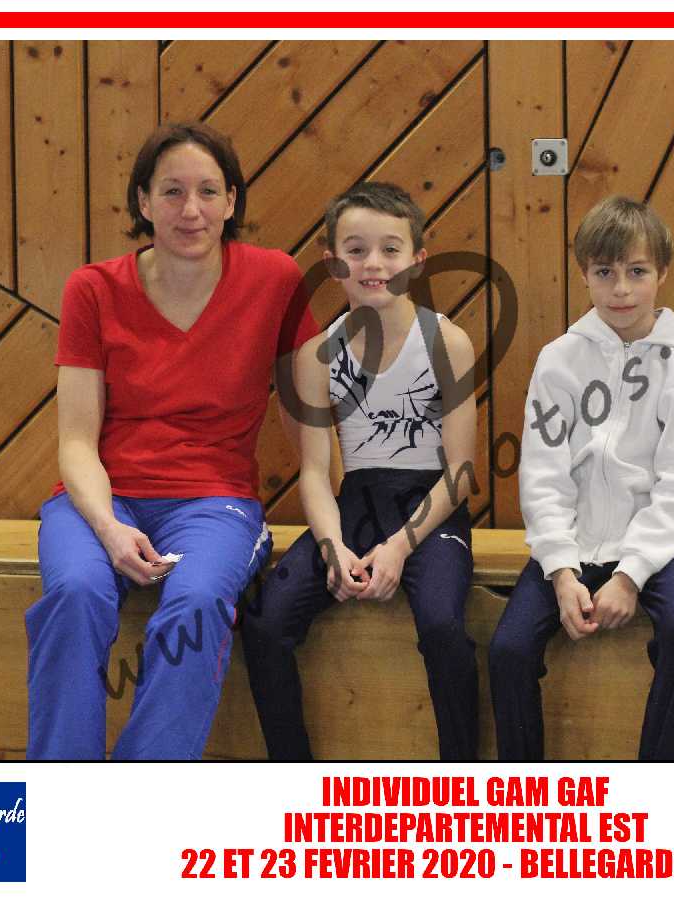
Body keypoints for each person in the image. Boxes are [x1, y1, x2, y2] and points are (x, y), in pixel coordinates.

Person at [24, 122, 319, 760]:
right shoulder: (92, 289)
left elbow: (309, 419)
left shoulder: (275, 279)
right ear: (143, 201)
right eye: (172, 191)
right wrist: (108, 529)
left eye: (209, 191)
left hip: (214, 501)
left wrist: (341, 521)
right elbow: (76, 442)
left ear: (232, 201)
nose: (191, 210)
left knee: (198, 602)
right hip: (104, 498)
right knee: (75, 593)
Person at [240, 182, 480, 760]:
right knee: (266, 624)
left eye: (390, 249)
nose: (373, 263)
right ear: (332, 263)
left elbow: (461, 473)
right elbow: (315, 473)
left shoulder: (446, 342)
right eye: (356, 250)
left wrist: (399, 547)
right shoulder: (316, 357)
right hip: (353, 504)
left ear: (417, 260)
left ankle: (462, 774)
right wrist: (331, 546)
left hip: (429, 507)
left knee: (443, 625)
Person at [488, 196, 674, 761]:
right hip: (574, 540)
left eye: (637, 272)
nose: (621, 289)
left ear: (662, 273)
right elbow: (542, 474)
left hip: (657, 542)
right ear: (584, 275)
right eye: (605, 273)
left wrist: (631, 575)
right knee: (507, 650)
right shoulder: (558, 360)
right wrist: (561, 570)